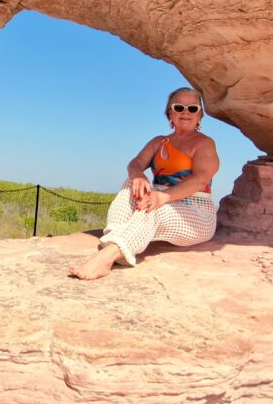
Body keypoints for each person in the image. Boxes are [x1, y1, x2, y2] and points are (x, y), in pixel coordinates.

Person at [67, 87, 219, 280]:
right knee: (130, 182)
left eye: (192, 108)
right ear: (170, 114)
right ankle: (117, 240)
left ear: (200, 115)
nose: (185, 112)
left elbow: (201, 179)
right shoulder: (159, 141)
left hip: (196, 214)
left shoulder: (205, 143)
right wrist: (139, 174)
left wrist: (163, 197)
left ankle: (107, 256)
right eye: (179, 107)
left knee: (152, 208)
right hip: (158, 201)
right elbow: (135, 163)